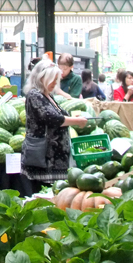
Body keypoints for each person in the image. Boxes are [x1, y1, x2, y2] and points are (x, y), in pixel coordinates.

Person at [23, 58, 90, 187]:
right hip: (44, 158)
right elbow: (52, 118)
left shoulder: (48, 95)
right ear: (42, 78)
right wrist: (76, 121)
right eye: (52, 78)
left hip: (56, 158)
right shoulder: (34, 95)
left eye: (56, 78)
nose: (55, 82)